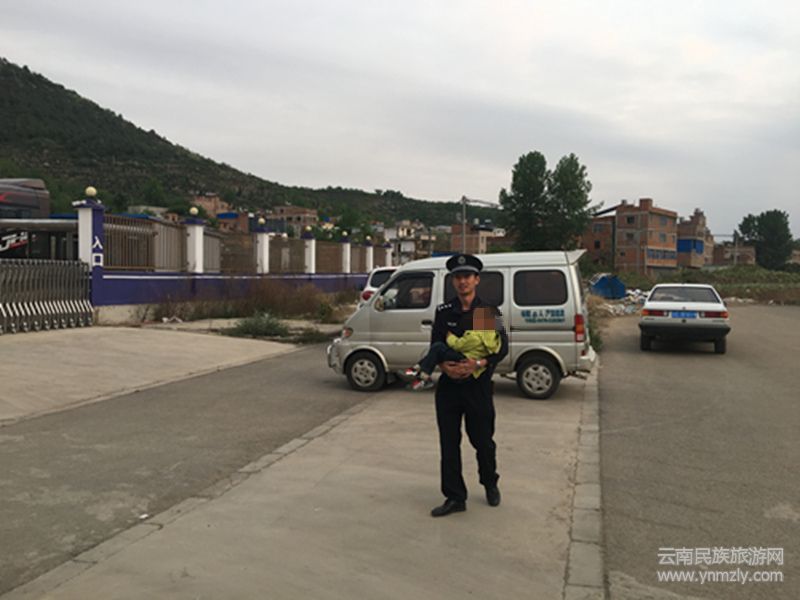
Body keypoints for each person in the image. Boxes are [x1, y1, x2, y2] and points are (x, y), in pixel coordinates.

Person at [429, 253, 508, 517]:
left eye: (467, 276)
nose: (462, 281)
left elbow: (502, 349)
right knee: (449, 444)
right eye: (457, 277)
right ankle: (455, 497)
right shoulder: (444, 312)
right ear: (453, 281)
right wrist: (445, 367)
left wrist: (478, 364)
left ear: (476, 280)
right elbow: (435, 346)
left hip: (477, 387)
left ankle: (490, 483)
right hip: (449, 389)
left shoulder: (486, 312)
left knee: (482, 441)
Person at [404, 306, 502, 391]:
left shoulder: (476, 336)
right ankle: (419, 368)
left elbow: (458, 345)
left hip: (464, 358)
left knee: (438, 348)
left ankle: (423, 375)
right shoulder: (493, 336)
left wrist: (449, 336)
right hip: (471, 358)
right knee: (437, 350)